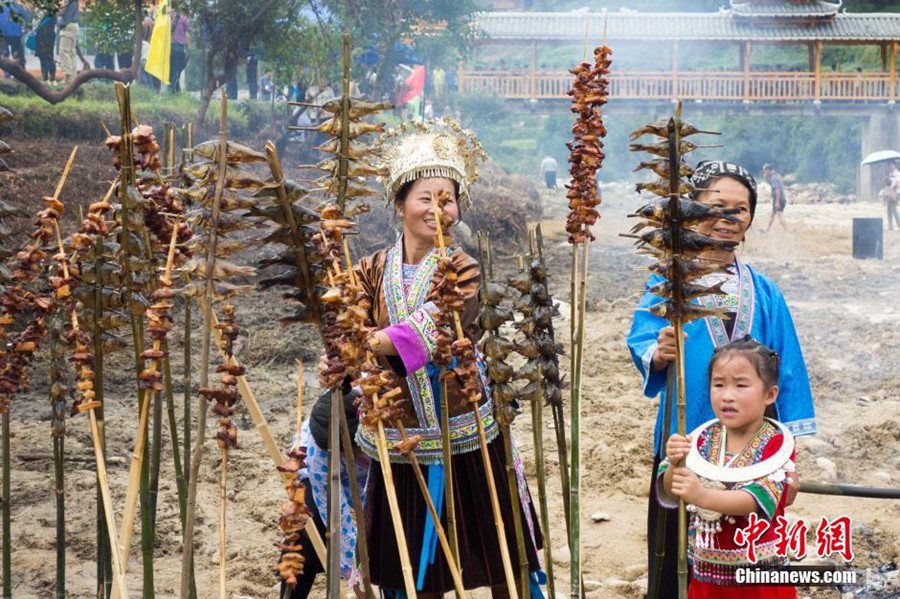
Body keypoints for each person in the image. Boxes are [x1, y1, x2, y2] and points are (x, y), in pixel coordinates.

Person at [351, 120, 543, 598]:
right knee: (417, 564)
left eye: (448, 198)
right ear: (399, 205)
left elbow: (438, 327)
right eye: (425, 197)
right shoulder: (373, 268)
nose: (439, 209)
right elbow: (343, 324)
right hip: (403, 431)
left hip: (467, 429)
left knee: (501, 554)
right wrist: (355, 338)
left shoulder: (462, 266)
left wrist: (373, 342)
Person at [626, 160, 816, 599]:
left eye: (740, 209)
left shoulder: (765, 291)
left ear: (751, 217)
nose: (728, 218)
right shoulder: (668, 282)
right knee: (673, 556)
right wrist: (659, 352)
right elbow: (640, 337)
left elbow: (787, 366)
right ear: (692, 210)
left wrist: (788, 450)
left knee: (752, 557)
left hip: (753, 445)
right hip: (685, 436)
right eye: (716, 206)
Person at [660, 337, 797, 598]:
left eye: (741, 385)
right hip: (705, 574)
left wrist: (701, 496)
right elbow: (672, 489)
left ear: (770, 394)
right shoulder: (702, 438)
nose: (727, 396)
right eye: (718, 384)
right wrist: (675, 465)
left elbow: (756, 500)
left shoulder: (777, 445)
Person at [280, 389, 369, 598]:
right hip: (320, 476)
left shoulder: (374, 426)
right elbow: (336, 516)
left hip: (366, 474)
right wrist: (353, 572)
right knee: (305, 540)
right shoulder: (317, 454)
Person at [169, 5, 191, 93]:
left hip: (169, 47)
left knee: (172, 69)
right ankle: (174, 90)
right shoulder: (184, 18)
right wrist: (187, 49)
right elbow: (187, 35)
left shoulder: (168, 17)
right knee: (177, 70)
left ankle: (174, 89)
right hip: (179, 47)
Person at [0, 2, 28, 70]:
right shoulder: (17, 6)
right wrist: (25, 27)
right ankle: (20, 70)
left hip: (3, 33)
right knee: (17, 52)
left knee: (4, 53)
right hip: (16, 33)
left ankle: (7, 72)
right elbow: (26, 16)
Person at [57, 0, 79, 81]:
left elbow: (60, 12)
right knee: (71, 52)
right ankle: (73, 76)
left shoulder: (67, 1)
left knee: (64, 52)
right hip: (74, 25)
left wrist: (59, 6)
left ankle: (67, 76)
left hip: (68, 26)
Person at [762, 163, 788, 232]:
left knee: (780, 215)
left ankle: (787, 230)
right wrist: (766, 178)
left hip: (778, 199)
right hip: (781, 198)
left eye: (764, 171)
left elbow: (777, 190)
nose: (764, 172)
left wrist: (776, 202)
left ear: (768, 170)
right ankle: (767, 230)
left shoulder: (774, 178)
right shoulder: (777, 176)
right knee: (772, 215)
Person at [34, 9, 56, 82]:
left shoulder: (50, 18)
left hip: (45, 40)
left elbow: (42, 30)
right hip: (44, 40)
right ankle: (48, 76)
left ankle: (47, 77)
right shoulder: (47, 17)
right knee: (46, 58)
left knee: (46, 58)